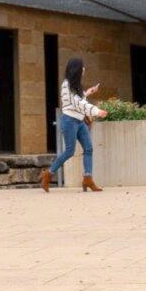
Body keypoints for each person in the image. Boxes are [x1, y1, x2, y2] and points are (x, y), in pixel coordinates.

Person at [41, 58, 108, 192]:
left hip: (79, 121)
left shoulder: (75, 84)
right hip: (69, 120)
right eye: (82, 67)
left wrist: (88, 92)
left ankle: (88, 179)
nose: (84, 69)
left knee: (88, 149)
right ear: (76, 69)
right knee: (69, 151)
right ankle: (48, 174)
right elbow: (78, 103)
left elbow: (78, 100)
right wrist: (96, 111)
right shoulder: (67, 84)